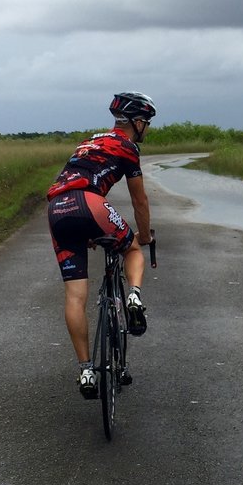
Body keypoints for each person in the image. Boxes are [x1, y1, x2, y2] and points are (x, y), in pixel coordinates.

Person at [46, 91, 156, 398]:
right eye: (146, 122)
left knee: (75, 295)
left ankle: (85, 370)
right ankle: (134, 297)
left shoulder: (88, 142)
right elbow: (139, 200)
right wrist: (144, 236)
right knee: (132, 248)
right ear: (136, 122)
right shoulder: (127, 146)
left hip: (57, 207)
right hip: (90, 203)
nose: (147, 128)